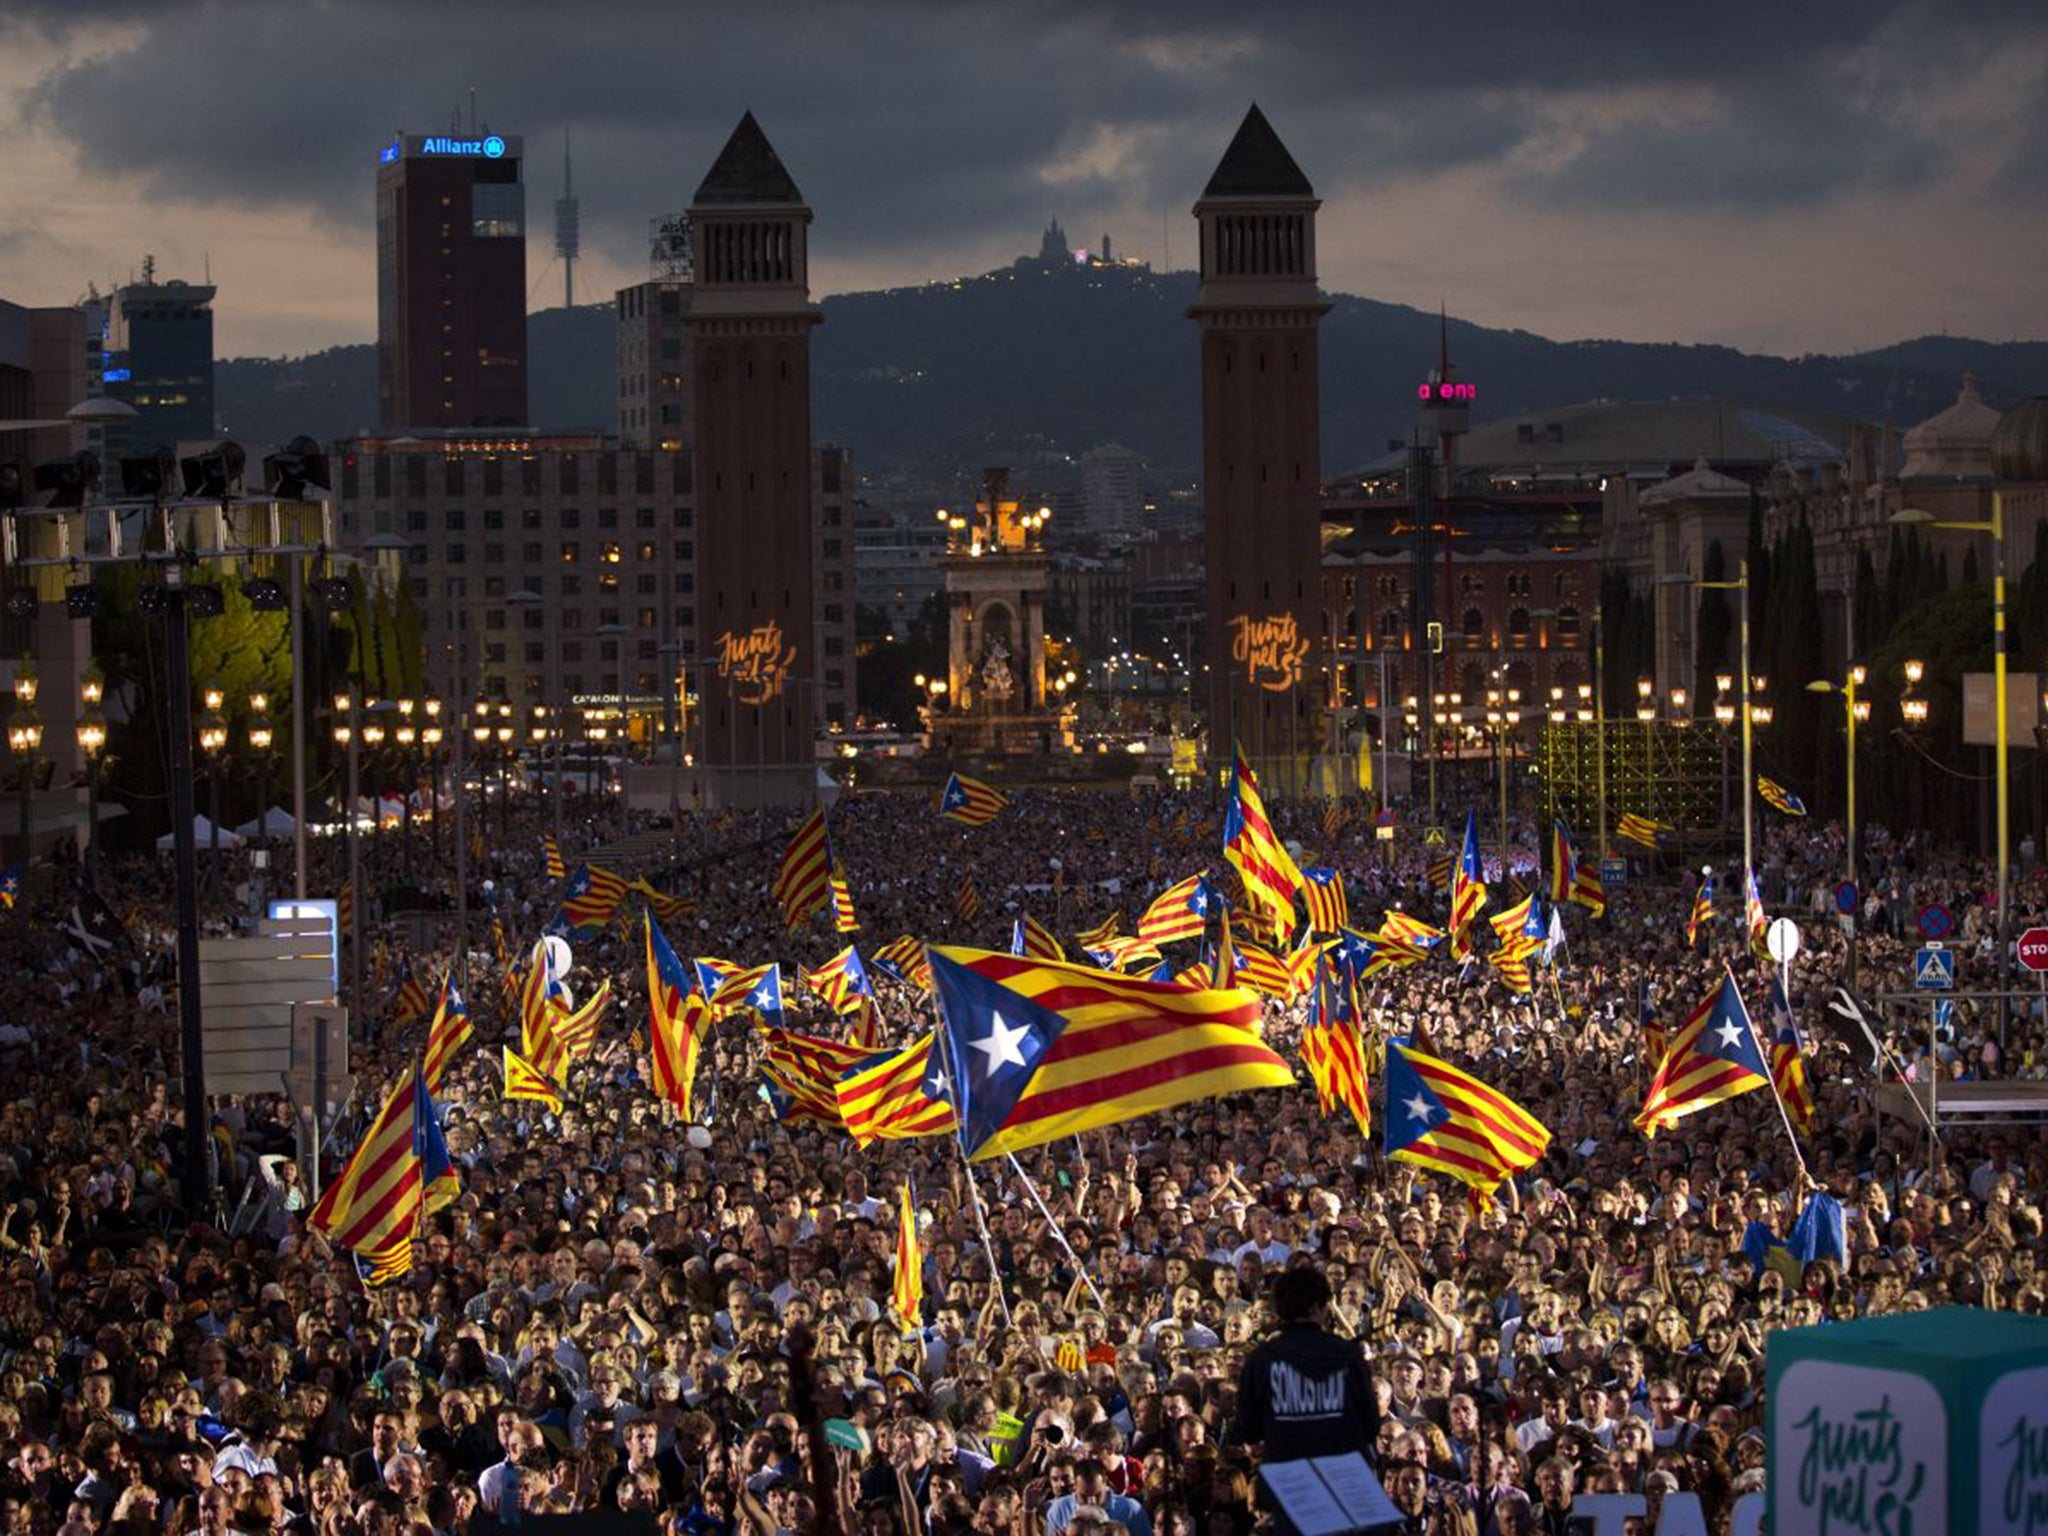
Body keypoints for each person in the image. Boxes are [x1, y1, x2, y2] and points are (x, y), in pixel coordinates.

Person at [1228, 1268, 1379, 1465]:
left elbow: (1247, 1430)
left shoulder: (1261, 1359)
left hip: (1287, 1479)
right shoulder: (1347, 1354)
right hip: (1342, 1477)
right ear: (1319, 1306)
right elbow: (1370, 1425)